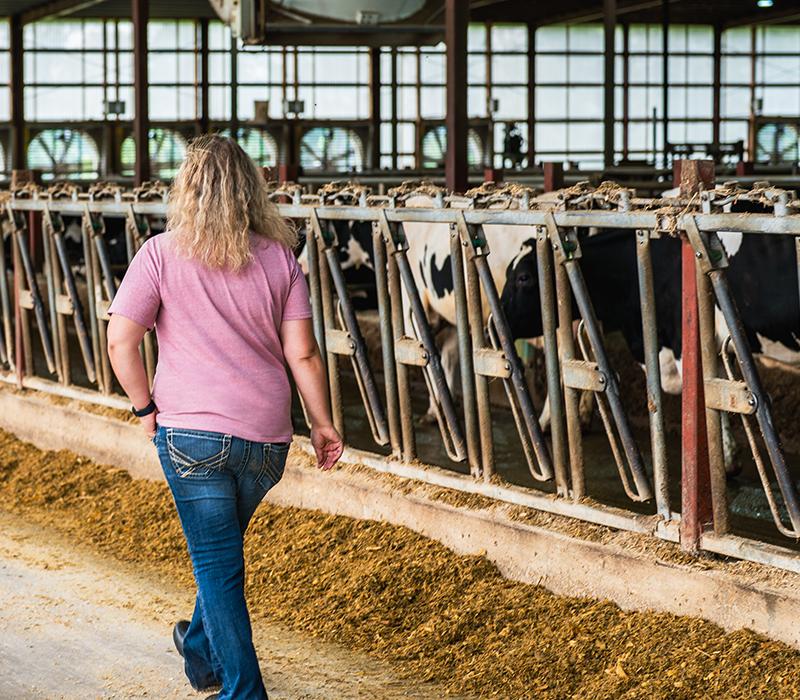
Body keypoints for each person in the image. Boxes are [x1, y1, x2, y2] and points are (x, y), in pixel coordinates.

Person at [107, 134, 343, 700]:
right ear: (249, 191)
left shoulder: (160, 254)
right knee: (220, 553)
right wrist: (323, 422)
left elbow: (121, 341)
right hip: (265, 441)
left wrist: (144, 409)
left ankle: (243, 690)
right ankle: (198, 651)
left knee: (218, 565)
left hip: (189, 436)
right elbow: (303, 353)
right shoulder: (280, 258)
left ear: (185, 190)